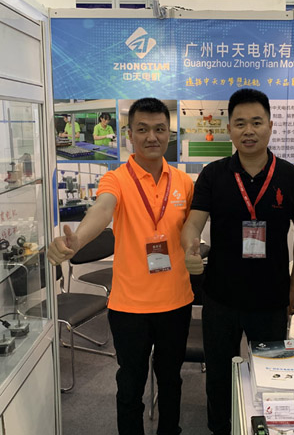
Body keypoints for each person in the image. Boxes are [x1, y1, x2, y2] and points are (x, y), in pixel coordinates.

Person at [48, 98, 194, 435]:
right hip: (130, 305)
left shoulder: (184, 182)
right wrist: (76, 241)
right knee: (130, 385)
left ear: (169, 134)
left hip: (176, 301)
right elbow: (102, 209)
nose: (151, 137)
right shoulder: (116, 179)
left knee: (171, 380)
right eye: (142, 129)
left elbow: (191, 228)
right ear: (129, 134)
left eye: (159, 129)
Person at [181, 88, 294, 435]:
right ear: (229, 129)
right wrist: (189, 248)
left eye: (256, 122)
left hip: (271, 297)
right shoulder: (213, 174)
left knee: (271, 373)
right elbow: (193, 223)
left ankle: (265, 428)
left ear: (270, 125)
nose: (248, 131)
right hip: (220, 296)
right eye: (240, 123)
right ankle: (219, 428)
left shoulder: (291, 177)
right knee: (218, 374)